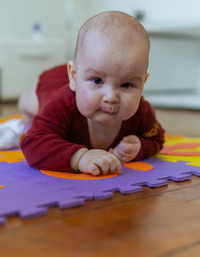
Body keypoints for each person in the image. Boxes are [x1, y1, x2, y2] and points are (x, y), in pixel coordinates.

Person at [19, 10, 165, 176]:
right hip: (53, 85)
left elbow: (156, 136)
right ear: (74, 76)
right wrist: (79, 157)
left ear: (142, 83)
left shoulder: (141, 113)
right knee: (32, 104)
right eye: (97, 81)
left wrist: (140, 146)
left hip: (78, 79)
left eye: (126, 85)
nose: (111, 97)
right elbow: (33, 143)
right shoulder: (61, 105)